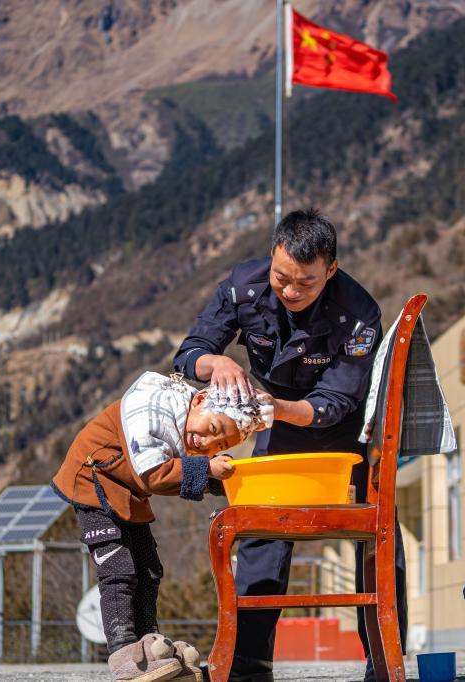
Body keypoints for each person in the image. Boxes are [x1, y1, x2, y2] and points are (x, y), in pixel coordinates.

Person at [173, 208, 407, 682]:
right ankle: (249, 664)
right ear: (272, 257)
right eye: (282, 277)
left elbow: (336, 402)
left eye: (306, 282)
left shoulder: (359, 314)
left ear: (331, 270)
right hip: (274, 421)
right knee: (261, 531)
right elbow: (189, 353)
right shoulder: (242, 285)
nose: (291, 290)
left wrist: (278, 408)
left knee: (378, 537)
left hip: (345, 433)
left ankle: (383, 661)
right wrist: (217, 362)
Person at [51, 371, 273, 682]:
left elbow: (171, 475)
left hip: (128, 491)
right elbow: (154, 474)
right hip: (93, 483)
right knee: (118, 570)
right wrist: (207, 468)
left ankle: (152, 648)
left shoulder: (184, 421)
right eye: (212, 429)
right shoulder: (152, 410)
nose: (206, 443)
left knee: (150, 569)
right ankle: (125, 654)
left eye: (219, 444)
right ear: (199, 400)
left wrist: (228, 483)